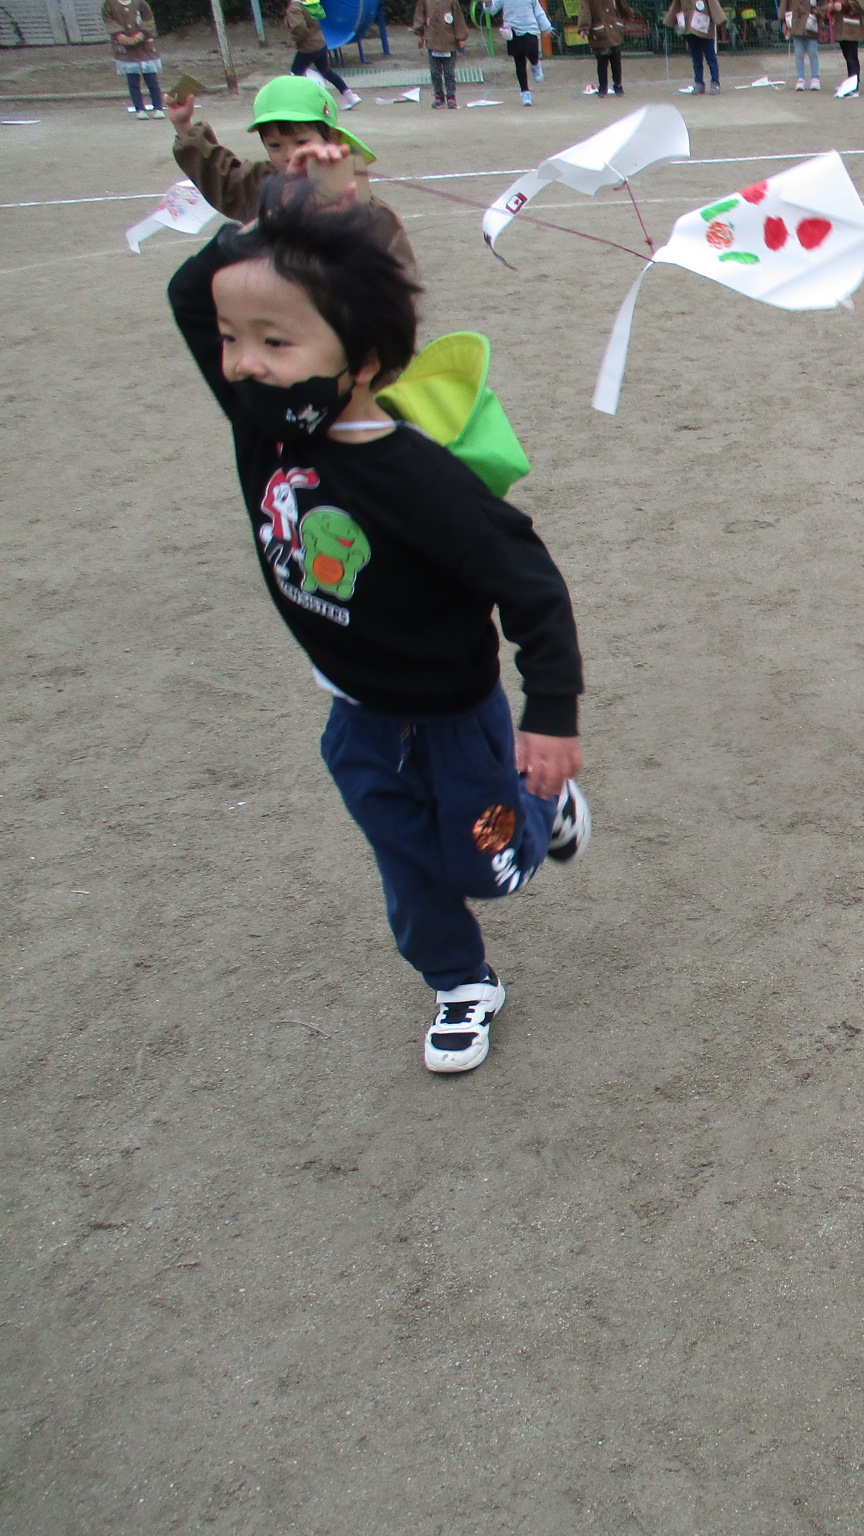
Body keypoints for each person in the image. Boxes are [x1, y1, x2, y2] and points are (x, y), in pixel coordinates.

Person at [166, 159, 592, 1075]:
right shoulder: (264, 423)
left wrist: (551, 717)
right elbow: (190, 295)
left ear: (361, 362)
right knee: (406, 861)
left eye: (273, 342)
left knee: (485, 865)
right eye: (234, 341)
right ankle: (460, 981)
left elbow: (532, 585)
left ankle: (541, 807)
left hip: (457, 724)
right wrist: (268, 225)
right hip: (358, 721)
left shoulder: (419, 479)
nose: (241, 362)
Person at [168, 74, 415, 271]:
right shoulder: (262, 184)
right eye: (275, 145)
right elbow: (221, 175)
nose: (289, 155)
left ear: (331, 137)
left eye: (301, 142)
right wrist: (184, 127)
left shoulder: (359, 203)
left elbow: (398, 274)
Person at [284, 0, 362, 108]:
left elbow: (299, 27)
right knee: (326, 72)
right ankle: (351, 96)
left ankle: (297, 103)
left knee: (295, 73)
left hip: (308, 46)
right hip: (320, 42)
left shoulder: (294, 8)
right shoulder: (307, 2)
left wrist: (298, 41)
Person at [102, 0, 164, 118]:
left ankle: (158, 107)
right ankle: (140, 109)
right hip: (126, 49)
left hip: (144, 46)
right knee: (133, 82)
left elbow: (148, 18)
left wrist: (142, 33)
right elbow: (108, 20)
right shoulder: (110, 4)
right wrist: (119, 34)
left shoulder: (139, 2)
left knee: (152, 80)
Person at [490, 0, 551, 104]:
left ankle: (535, 64)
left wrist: (547, 27)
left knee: (532, 51)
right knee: (519, 62)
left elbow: (538, 11)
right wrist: (488, 3)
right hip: (512, 29)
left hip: (530, 28)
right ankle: (525, 92)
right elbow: (493, 8)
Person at [412, 0, 469, 108]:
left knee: (449, 72)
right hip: (432, 40)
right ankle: (438, 95)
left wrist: (461, 38)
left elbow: (458, 19)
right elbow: (420, 15)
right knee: (435, 72)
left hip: (449, 41)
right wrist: (419, 34)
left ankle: (451, 96)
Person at [666, 0, 723, 93]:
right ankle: (699, 83)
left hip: (705, 30)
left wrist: (720, 19)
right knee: (696, 59)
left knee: (711, 58)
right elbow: (675, 6)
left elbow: (714, 5)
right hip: (689, 29)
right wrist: (670, 20)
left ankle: (715, 83)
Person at [583, 0, 626, 95]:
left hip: (613, 30)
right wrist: (584, 27)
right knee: (602, 62)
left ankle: (617, 85)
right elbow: (585, 10)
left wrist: (626, 15)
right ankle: (603, 87)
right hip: (600, 33)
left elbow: (621, 6)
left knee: (615, 61)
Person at [821, 0, 862, 95]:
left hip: (852, 26)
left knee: (852, 57)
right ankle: (850, 83)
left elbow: (861, 5)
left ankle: (854, 85)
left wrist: (843, 6)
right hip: (840, 26)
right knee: (847, 56)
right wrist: (831, 7)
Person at [783, 0, 819, 89]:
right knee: (798, 53)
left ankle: (815, 78)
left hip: (811, 22)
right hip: (795, 21)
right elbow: (784, 4)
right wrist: (784, 21)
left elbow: (822, 4)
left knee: (813, 52)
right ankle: (800, 78)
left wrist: (816, 13)